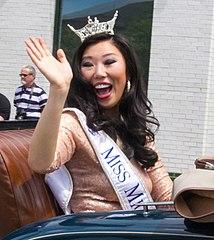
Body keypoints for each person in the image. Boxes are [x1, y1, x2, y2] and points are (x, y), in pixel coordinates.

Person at [25, 11, 172, 214]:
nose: (99, 72)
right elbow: (40, 162)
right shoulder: (75, 123)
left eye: (109, 62)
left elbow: (166, 197)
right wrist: (58, 90)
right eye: (88, 65)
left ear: (128, 71)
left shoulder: (135, 129)